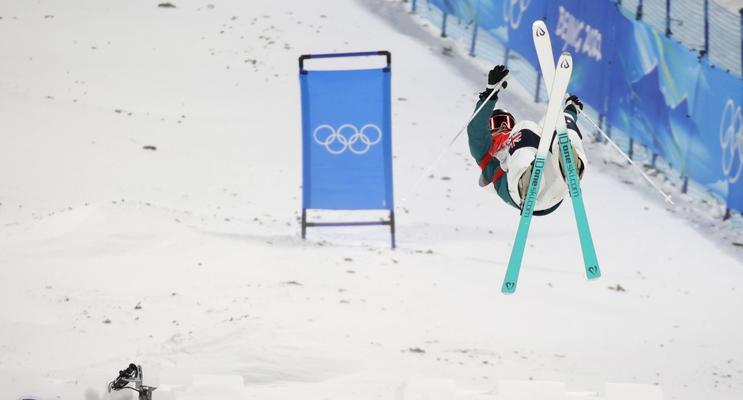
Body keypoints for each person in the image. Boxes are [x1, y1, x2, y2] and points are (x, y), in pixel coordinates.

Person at [466, 65, 587, 216]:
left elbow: (551, 127)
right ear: (488, 129)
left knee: (557, 120)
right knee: (527, 127)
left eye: (508, 122)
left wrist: (570, 111)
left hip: (556, 187)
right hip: (519, 193)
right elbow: (475, 130)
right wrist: (490, 94)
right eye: (498, 123)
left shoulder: (522, 139)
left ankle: (572, 167)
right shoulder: (487, 151)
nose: (504, 126)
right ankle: (527, 186)